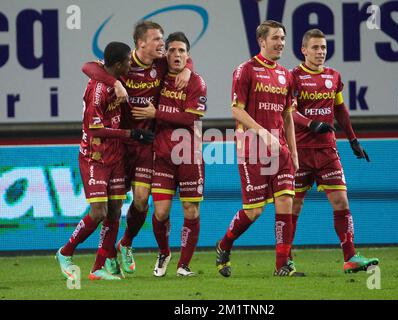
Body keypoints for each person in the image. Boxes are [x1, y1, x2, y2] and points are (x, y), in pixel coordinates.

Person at [81, 21, 194, 274]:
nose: (162, 45)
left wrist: (188, 68)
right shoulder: (122, 64)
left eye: (162, 39)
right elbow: (87, 66)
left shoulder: (161, 64)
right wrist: (116, 83)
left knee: (142, 201)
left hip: (145, 144)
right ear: (140, 43)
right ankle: (106, 258)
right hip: (120, 144)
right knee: (114, 207)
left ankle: (127, 243)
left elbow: (184, 57)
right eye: (156, 39)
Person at [215, 20, 307, 277]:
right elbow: (235, 110)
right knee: (254, 211)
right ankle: (224, 244)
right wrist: (264, 133)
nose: (281, 43)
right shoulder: (245, 70)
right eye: (276, 38)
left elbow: (288, 116)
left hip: (282, 151)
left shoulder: (286, 76)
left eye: (283, 38)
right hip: (253, 149)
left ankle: (282, 266)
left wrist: (295, 153)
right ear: (262, 41)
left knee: (286, 203)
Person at [56, 42, 154, 280]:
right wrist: (131, 134)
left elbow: (93, 66)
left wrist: (117, 83)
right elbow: (95, 129)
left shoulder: (114, 77)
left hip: (116, 155)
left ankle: (98, 267)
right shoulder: (97, 91)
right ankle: (65, 252)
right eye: (128, 61)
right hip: (95, 157)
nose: (131, 64)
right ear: (118, 64)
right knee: (98, 211)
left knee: (114, 210)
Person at [290, 28, 379, 273]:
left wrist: (353, 140)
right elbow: (291, 112)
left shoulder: (333, 77)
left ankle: (350, 257)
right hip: (300, 151)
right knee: (293, 206)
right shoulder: (293, 77)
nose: (320, 52)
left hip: (328, 151)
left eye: (324, 48)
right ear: (304, 50)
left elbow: (340, 110)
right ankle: (284, 260)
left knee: (341, 201)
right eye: (316, 48)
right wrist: (311, 124)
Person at [131, 32, 206, 277]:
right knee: (161, 212)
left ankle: (184, 265)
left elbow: (190, 117)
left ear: (188, 54)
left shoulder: (197, 82)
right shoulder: (161, 70)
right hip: (162, 156)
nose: (176, 55)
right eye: (172, 50)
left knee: (190, 211)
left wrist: (157, 114)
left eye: (181, 51)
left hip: (189, 157)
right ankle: (164, 252)